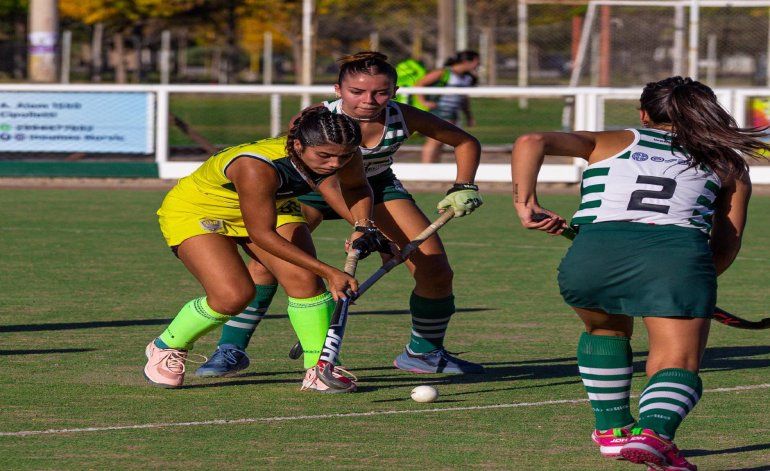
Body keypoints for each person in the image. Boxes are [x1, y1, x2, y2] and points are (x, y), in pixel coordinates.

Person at [511, 76, 767, 470]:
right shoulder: (727, 163)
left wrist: (525, 203)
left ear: (644, 114)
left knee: (604, 331)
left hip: (591, 255)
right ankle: (654, 434)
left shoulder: (611, 141)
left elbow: (531, 140)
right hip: (676, 257)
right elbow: (726, 241)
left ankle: (613, 432)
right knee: (676, 362)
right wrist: (694, 285)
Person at [195, 51, 485, 378]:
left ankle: (424, 352)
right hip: (310, 187)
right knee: (268, 261)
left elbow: (465, 142)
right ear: (338, 90)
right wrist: (367, 229)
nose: (368, 101)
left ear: (395, 91)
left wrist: (463, 185)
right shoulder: (314, 119)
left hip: (376, 188)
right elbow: (328, 182)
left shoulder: (403, 116)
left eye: (381, 92)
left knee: (434, 268)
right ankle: (231, 348)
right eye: (356, 92)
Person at [144, 107, 388, 392]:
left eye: (343, 157)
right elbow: (262, 235)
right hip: (200, 209)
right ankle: (166, 345)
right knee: (232, 296)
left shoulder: (343, 151)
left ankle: (319, 369)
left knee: (306, 281)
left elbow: (356, 187)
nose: (335, 164)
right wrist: (330, 271)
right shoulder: (255, 166)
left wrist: (364, 226)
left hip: (273, 204)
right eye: (324, 156)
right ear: (298, 145)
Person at [418, 50, 480, 163]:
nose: (478, 64)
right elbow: (420, 83)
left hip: (452, 114)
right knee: (434, 141)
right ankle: (426, 168)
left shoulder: (467, 78)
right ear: (466, 61)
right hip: (439, 112)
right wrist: (423, 102)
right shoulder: (444, 73)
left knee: (442, 142)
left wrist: (468, 116)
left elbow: (464, 99)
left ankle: (434, 166)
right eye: (477, 61)